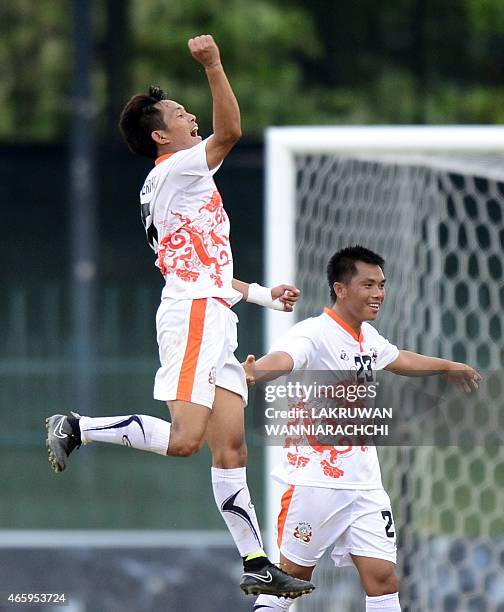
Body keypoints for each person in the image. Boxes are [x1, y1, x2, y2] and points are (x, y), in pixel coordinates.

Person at [45, 34, 315, 599]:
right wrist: (214, 64)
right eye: (179, 113)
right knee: (186, 440)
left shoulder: (187, 181)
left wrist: (264, 296)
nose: (192, 115)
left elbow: (206, 265)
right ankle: (80, 427)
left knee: (232, 447)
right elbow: (232, 133)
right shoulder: (174, 171)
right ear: (159, 136)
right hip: (193, 315)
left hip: (214, 311)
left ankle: (256, 560)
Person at [245, 245, 481, 611]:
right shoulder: (314, 333)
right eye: (368, 285)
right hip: (316, 482)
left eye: (382, 285)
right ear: (340, 289)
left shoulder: (366, 337)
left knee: (383, 579)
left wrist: (448, 366)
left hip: (365, 484)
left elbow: (399, 358)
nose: (378, 294)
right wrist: (254, 372)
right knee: (289, 580)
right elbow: (283, 360)